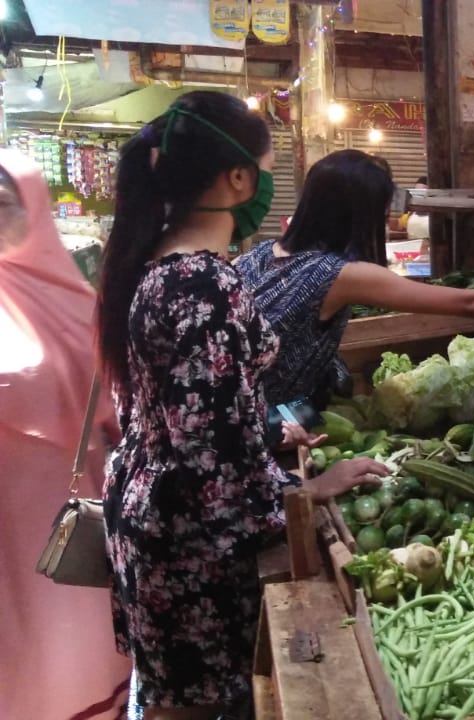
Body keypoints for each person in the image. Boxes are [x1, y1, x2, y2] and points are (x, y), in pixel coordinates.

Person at [96, 92, 385, 719]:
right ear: (237, 178)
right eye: (268, 166)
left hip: (153, 516)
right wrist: (311, 493)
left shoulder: (155, 264)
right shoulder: (206, 283)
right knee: (191, 708)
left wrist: (264, 437)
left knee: (174, 699)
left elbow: (177, 414)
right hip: (188, 541)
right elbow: (212, 474)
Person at [236, 149, 474, 412]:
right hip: (266, 424)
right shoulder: (337, 274)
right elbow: (473, 302)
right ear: (360, 214)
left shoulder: (256, 255)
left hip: (232, 416)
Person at [0, 152, 134, 719]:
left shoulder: (74, 301)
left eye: (4, 203)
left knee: (68, 651)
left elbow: (113, 408)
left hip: (61, 522)